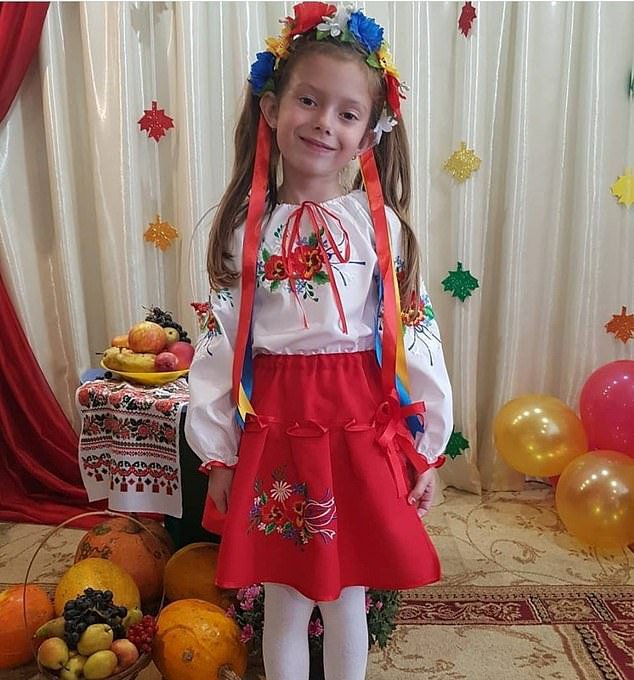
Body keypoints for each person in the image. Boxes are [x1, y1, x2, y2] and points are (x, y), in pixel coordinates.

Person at [185, 4, 453, 679]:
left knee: (346, 595)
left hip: (360, 427)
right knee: (285, 594)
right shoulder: (244, 230)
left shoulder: (381, 227)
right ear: (272, 108)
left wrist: (425, 445)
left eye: (346, 112)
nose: (324, 122)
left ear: (369, 134)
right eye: (308, 100)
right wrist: (218, 454)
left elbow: (413, 333)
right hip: (278, 427)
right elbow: (219, 348)